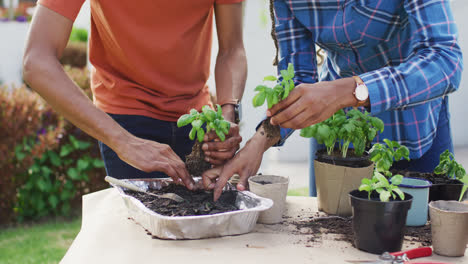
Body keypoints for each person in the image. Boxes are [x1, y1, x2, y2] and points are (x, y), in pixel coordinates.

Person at [204, 0, 463, 201]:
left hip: (415, 128)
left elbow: (445, 60)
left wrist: (348, 92)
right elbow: (299, 78)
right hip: (337, 140)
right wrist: (260, 140)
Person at [22, 0, 247, 190]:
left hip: (198, 121)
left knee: (208, 231)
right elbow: (37, 61)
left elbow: (232, 49)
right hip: (125, 121)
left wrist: (227, 113)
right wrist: (124, 142)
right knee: (142, 237)